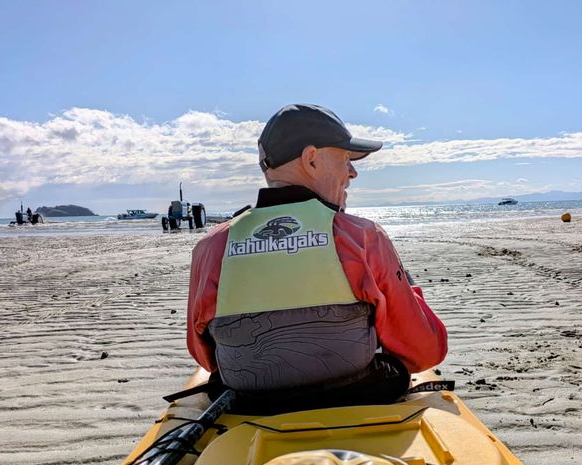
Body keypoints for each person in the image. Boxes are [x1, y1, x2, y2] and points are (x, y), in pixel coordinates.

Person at [186, 104, 447, 409]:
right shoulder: (363, 238)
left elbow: (203, 356)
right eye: (346, 159)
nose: (352, 173)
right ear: (311, 159)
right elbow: (424, 351)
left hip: (252, 406)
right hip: (355, 399)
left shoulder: (211, 247)